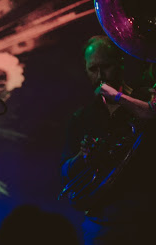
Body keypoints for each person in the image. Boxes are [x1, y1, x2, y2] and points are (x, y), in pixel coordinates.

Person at [61, 35, 156, 245]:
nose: (100, 76)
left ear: (120, 62)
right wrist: (82, 156)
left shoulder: (144, 100)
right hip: (101, 224)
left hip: (145, 221)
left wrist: (119, 98)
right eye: (92, 69)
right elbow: (65, 172)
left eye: (106, 66)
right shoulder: (81, 117)